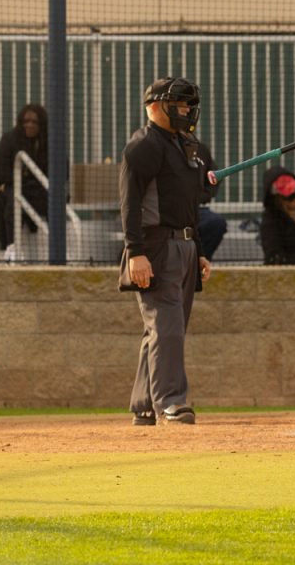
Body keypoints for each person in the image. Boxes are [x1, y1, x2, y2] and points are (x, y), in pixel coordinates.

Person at [118, 76, 212, 426]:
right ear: (155, 106)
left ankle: (144, 403)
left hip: (185, 246)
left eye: (189, 105)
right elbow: (129, 202)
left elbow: (189, 205)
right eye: (180, 104)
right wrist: (134, 252)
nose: (187, 111)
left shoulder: (185, 144)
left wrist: (198, 248)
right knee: (167, 326)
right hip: (155, 246)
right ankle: (171, 401)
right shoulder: (144, 145)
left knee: (164, 328)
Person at [0, 104, 49, 259]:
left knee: (56, 200)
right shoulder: (10, 139)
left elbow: (59, 171)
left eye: (34, 122)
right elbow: (0, 172)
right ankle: (12, 247)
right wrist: (22, 181)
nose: (29, 125)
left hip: (37, 192)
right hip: (11, 190)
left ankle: (58, 245)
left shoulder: (48, 141)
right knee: (12, 201)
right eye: (26, 121)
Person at [194, 139, 228, 260]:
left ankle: (200, 261)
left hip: (196, 208)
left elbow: (214, 177)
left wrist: (202, 196)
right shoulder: (155, 146)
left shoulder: (199, 149)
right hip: (166, 210)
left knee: (216, 223)